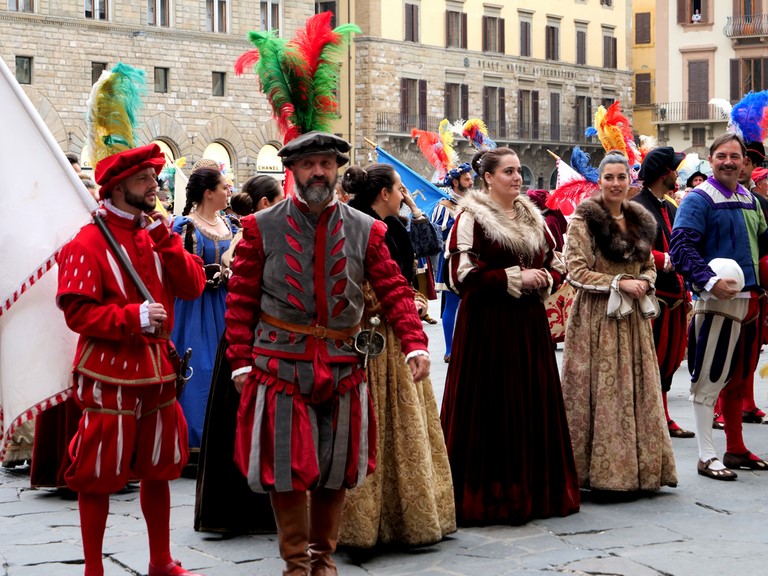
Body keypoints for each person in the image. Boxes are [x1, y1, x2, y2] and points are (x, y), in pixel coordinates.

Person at [225, 132, 430, 574]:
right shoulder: (260, 227)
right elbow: (240, 299)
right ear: (292, 171)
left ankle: (324, 562)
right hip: (279, 364)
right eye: (308, 164)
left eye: (326, 163)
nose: (318, 171)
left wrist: (414, 341)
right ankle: (296, 565)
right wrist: (240, 359)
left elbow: (395, 288)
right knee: (285, 467)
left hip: (342, 364)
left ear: (337, 169)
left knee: (338, 467)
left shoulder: (367, 229)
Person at [56, 143, 207, 576]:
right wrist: (132, 316)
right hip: (108, 370)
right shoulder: (86, 241)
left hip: (159, 369)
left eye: (153, 178)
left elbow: (193, 286)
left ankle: (160, 560)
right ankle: (93, 569)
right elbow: (76, 312)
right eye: (144, 180)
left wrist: (166, 241)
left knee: (160, 467)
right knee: (97, 471)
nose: (154, 185)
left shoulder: (158, 233)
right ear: (118, 186)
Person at [440, 147, 580, 526]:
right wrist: (513, 277)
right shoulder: (471, 217)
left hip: (528, 325)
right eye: (508, 171)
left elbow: (556, 264)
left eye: (519, 171)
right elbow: (459, 276)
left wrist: (544, 278)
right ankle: (491, 494)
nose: (517, 178)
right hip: (487, 328)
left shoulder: (533, 218)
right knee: (491, 405)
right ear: (488, 177)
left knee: (530, 401)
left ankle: (535, 490)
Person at [338, 164, 455, 547]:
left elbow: (419, 258)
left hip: (397, 334)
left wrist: (413, 301)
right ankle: (364, 520)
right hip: (370, 338)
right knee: (372, 426)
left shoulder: (396, 227)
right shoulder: (358, 227)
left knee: (402, 427)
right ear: (384, 193)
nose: (405, 194)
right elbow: (360, 284)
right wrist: (402, 304)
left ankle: (403, 512)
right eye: (400, 188)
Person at [561, 152, 678, 493]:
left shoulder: (640, 218)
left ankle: (642, 472)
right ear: (599, 181)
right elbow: (576, 270)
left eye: (621, 177)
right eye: (609, 177)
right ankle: (598, 473)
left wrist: (645, 281)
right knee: (602, 392)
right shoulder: (584, 220)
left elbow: (649, 265)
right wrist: (618, 282)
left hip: (634, 321)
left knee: (638, 390)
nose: (615, 183)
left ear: (631, 181)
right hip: (597, 319)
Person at [670, 133, 768, 480]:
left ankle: (736, 448)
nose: (729, 162)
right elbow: (681, 247)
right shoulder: (697, 199)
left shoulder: (750, 199)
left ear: (744, 162)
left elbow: (764, 244)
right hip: (715, 303)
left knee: (739, 380)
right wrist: (710, 282)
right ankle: (706, 455)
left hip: (751, 303)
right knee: (709, 379)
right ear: (711, 160)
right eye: (721, 155)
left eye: (735, 156)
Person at [194, 174, 283, 535]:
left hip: (265, 336)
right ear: (266, 205)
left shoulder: (260, 234)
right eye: (280, 200)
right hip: (249, 339)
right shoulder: (252, 236)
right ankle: (238, 510)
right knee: (240, 423)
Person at [172, 167, 236, 474]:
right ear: (208, 192)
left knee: (223, 369)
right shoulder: (185, 226)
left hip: (224, 305)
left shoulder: (227, 223)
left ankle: (219, 440)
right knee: (198, 368)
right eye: (224, 187)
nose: (229, 191)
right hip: (192, 307)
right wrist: (201, 274)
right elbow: (171, 266)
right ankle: (191, 442)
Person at [631, 147, 694, 439]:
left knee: (669, 361)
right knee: (652, 361)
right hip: (654, 298)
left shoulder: (669, 206)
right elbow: (633, 248)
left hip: (676, 297)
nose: (677, 173)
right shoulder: (638, 206)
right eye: (674, 169)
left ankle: (664, 415)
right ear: (664, 174)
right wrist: (664, 260)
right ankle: (652, 417)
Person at [431, 162, 474, 362]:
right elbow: (437, 235)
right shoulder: (444, 205)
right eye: (467, 179)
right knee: (451, 306)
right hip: (452, 260)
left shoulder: (475, 203)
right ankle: (450, 350)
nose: (471, 182)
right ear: (456, 182)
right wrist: (453, 225)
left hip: (473, 259)